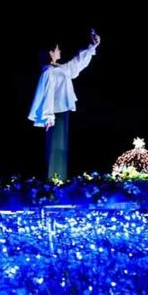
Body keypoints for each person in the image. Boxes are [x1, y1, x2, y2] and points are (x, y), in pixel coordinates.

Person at [27, 28, 101, 181]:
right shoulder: (49, 72)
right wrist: (48, 116)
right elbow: (47, 94)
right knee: (56, 149)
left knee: (61, 149)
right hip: (54, 114)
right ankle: (54, 183)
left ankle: (58, 182)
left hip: (61, 112)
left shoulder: (59, 69)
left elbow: (75, 65)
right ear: (50, 53)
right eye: (57, 49)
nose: (59, 51)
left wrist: (91, 47)